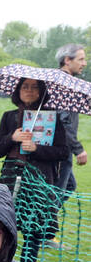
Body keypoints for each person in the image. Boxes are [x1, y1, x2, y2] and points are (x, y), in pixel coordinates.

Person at [0, 77, 68, 262]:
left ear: (42, 92)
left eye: (34, 87)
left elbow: (63, 151)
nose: (29, 90)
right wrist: (13, 137)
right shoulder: (9, 116)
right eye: (25, 86)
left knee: (33, 228)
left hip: (39, 180)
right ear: (17, 90)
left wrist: (37, 149)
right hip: (12, 177)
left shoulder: (52, 118)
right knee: (4, 224)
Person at [52, 43, 87, 214]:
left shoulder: (62, 81)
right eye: (81, 59)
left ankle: (42, 228)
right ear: (67, 60)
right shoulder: (66, 85)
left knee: (69, 185)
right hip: (60, 149)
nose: (85, 63)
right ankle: (41, 232)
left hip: (59, 148)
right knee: (56, 193)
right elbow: (63, 122)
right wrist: (78, 149)